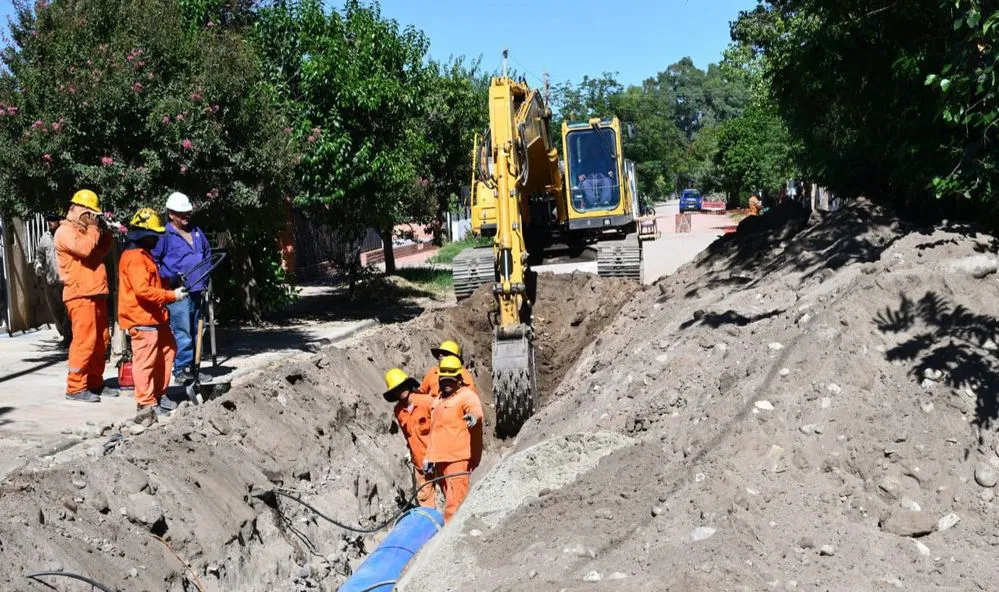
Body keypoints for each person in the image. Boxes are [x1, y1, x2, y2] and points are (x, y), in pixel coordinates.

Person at [119, 208, 189, 416]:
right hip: (141, 318)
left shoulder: (143, 255)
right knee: (146, 361)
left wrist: (168, 281)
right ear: (144, 235)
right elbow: (142, 291)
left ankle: (158, 393)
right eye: (154, 235)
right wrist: (172, 295)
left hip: (154, 316)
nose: (158, 240)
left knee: (168, 348)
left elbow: (151, 283)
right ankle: (146, 403)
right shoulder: (135, 258)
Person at [54, 189, 113, 403]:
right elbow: (85, 250)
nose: (93, 218)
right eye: (91, 214)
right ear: (80, 210)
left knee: (101, 341)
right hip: (80, 295)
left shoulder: (86, 231)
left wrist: (105, 233)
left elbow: (99, 251)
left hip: (95, 292)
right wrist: (94, 229)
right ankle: (76, 387)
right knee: (84, 341)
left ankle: (95, 382)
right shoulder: (65, 232)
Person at [151, 192, 212, 385]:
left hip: (198, 290)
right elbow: (153, 262)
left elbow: (207, 254)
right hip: (178, 293)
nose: (186, 215)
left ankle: (194, 369)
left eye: (187, 212)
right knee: (183, 332)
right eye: (181, 213)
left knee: (197, 330)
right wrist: (168, 277)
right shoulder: (164, 235)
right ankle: (182, 369)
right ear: (171, 214)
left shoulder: (196, 232)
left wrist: (206, 276)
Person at [423, 355, 483, 523]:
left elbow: (475, 409)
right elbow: (434, 432)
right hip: (440, 461)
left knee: (454, 506)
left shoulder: (466, 396)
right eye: (444, 380)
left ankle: (452, 536)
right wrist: (429, 457)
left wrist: (473, 416)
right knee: (449, 500)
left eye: (451, 380)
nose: (447, 383)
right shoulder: (438, 401)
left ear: (459, 379)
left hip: (457, 460)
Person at [382, 368, 436, 508]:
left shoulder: (428, 402)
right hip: (420, 463)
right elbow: (408, 436)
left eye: (402, 387)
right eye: (396, 390)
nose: (400, 391)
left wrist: (433, 455)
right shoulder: (399, 412)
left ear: (408, 384)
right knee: (424, 498)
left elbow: (441, 430)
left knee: (449, 494)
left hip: (438, 459)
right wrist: (411, 453)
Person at [34, 213, 71, 346]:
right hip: (51, 281)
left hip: (66, 281)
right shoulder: (45, 237)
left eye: (52, 220)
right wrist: (38, 264)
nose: (50, 222)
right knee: (56, 311)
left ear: (59, 221)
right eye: (48, 220)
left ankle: (69, 337)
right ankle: (64, 335)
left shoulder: (65, 234)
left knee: (68, 310)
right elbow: (39, 255)